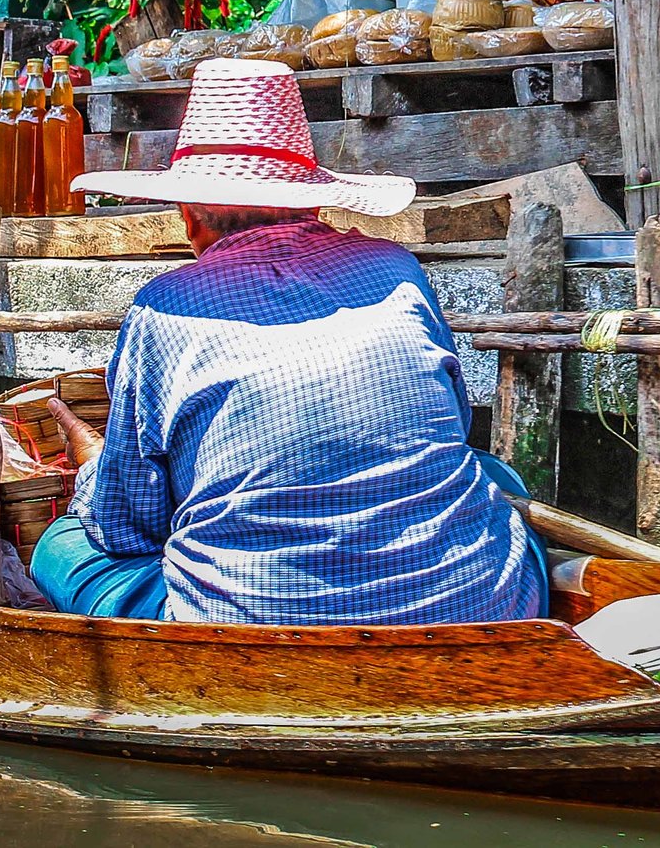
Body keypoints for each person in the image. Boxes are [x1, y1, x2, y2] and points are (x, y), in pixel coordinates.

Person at [28, 59, 546, 627]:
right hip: (483, 607)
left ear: (188, 217)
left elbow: (128, 528)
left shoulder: (163, 307)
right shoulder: (397, 269)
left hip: (254, 633)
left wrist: (94, 469)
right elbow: (450, 422)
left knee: (64, 546)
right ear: (315, 202)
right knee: (496, 479)